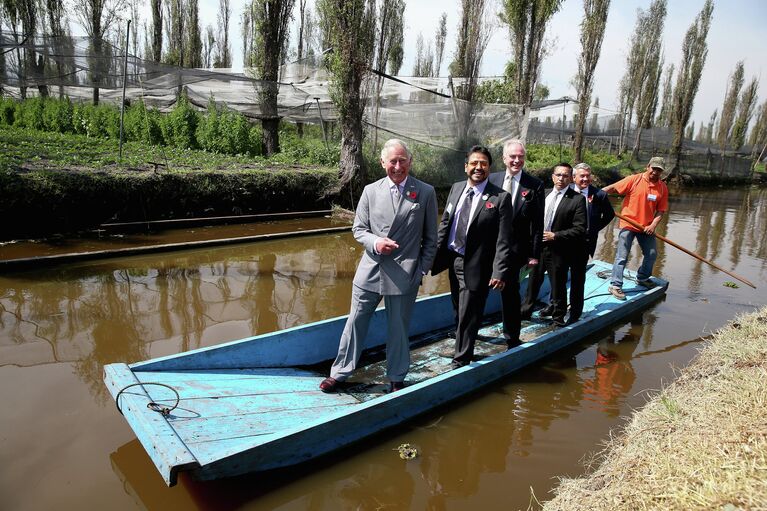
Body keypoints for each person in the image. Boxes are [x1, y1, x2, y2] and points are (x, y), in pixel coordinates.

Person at [319, 139, 438, 393]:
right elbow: (359, 229)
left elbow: (431, 238)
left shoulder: (425, 192)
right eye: (392, 161)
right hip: (370, 269)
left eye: (402, 160)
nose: (397, 166)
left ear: (410, 162)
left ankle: (396, 376)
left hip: (405, 273)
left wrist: (422, 270)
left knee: (398, 328)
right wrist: (375, 243)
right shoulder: (371, 191)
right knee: (355, 322)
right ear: (383, 163)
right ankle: (340, 372)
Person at [431, 146, 511, 368]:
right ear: (466, 166)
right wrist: (431, 256)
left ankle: (462, 358)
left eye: (483, 164)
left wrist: (499, 271)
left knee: (469, 311)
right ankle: (462, 343)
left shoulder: (500, 198)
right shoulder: (456, 188)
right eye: (474, 163)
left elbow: (503, 240)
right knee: (458, 306)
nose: (478, 167)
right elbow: (445, 223)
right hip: (452, 258)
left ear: (489, 168)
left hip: (477, 263)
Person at [487, 139, 545, 346]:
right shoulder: (491, 179)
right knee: (476, 292)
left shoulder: (535, 185)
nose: (517, 160)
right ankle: (469, 331)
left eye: (520, 156)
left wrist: (534, 255)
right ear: (504, 158)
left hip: (515, 251)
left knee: (510, 295)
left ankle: (512, 337)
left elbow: (538, 225)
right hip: (487, 249)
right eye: (512, 156)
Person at [520, 163, 586, 327]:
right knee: (533, 282)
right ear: (552, 176)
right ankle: (525, 312)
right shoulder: (544, 193)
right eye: (558, 175)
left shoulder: (577, 199)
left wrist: (555, 236)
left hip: (558, 250)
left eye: (565, 175)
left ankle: (558, 318)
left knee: (558, 285)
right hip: (537, 248)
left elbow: (579, 228)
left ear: (571, 178)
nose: (561, 178)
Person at [602, 156, 669, 301]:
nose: (655, 172)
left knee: (651, 254)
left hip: (647, 227)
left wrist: (652, 225)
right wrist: (598, 193)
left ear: (661, 172)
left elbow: (661, 211)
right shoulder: (634, 179)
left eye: (659, 170)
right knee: (622, 255)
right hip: (629, 224)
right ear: (648, 166)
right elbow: (614, 187)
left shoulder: (662, 188)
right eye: (654, 168)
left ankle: (643, 277)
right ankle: (615, 285)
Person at [568, 162, 615, 322]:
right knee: (559, 277)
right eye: (582, 176)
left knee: (577, 279)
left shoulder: (599, 195)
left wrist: (593, 228)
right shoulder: (566, 192)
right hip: (564, 241)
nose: (585, 179)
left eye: (588, 176)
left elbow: (609, 215)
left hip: (584, 244)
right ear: (574, 177)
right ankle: (555, 306)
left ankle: (575, 312)